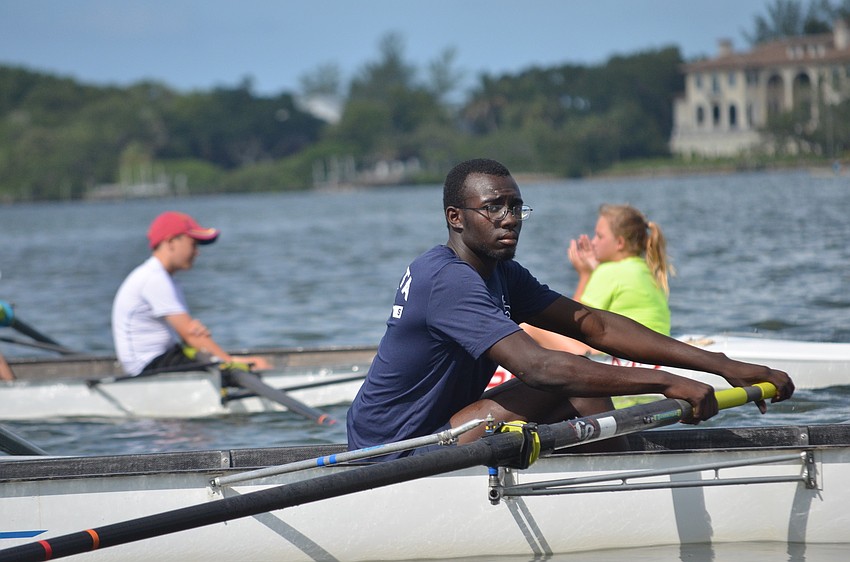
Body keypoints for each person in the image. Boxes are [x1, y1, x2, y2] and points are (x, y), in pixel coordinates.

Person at [346, 158, 794, 457]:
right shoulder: (447, 279)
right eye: (494, 208)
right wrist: (667, 382)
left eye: (516, 206)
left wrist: (720, 364)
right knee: (568, 379)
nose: (509, 218)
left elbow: (593, 325)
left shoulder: (502, 272)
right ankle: (623, 476)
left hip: (443, 426)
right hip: (392, 451)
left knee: (579, 376)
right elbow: (540, 367)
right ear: (455, 218)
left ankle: (615, 467)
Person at [111, 211, 271, 376]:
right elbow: (191, 336)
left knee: (250, 363)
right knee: (257, 365)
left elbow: (191, 334)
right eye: (193, 244)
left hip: (165, 358)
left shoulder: (163, 278)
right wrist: (229, 364)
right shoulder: (154, 278)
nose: (197, 252)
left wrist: (201, 339)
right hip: (149, 368)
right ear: (171, 242)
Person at [522, 204, 672, 355]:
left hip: (621, 356)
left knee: (528, 325)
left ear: (620, 243)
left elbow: (571, 323)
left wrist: (585, 275)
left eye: (600, 236)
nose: (593, 242)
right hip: (652, 352)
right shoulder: (645, 269)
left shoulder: (610, 271)